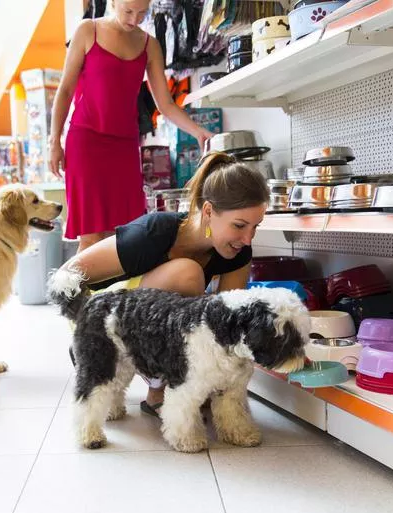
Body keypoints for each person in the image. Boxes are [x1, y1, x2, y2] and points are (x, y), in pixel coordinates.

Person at [56, 151, 269, 415]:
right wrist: (92, 333)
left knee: (214, 312)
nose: (248, 239)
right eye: (239, 225)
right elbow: (65, 277)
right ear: (209, 211)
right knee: (188, 274)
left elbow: (226, 323)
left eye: (255, 227)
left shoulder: (239, 252)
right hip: (102, 328)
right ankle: (160, 389)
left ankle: (164, 385)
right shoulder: (151, 233)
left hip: (155, 335)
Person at [49, 0, 215, 253]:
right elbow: (65, 91)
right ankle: (75, 292)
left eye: (142, 13)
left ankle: (115, 293)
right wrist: (54, 143)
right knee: (91, 238)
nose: (134, 19)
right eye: (128, 11)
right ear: (113, 2)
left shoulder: (150, 45)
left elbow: (166, 105)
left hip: (124, 149)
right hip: (86, 143)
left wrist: (198, 131)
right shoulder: (87, 30)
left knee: (123, 237)